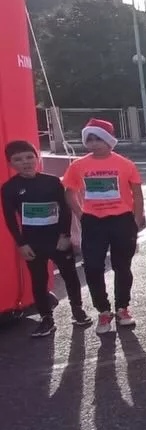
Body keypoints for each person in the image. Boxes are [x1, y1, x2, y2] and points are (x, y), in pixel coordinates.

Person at [60, 119, 145, 334]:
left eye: (98, 138)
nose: (94, 143)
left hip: (122, 221)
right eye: (90, 139)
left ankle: (122, 308)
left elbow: (137, 193)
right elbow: (69, 191)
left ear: (109, 141)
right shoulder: (78, 165)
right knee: (93, 267)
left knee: (122, 267)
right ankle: (104, 311)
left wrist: (136, 219)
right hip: (93, 223)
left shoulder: (125, 164)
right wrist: (80, 214)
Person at [2, 141, 89, 336]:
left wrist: (65, 235)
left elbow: (65, 210)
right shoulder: (9, 188)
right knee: (38, 280)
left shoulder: (53, 182)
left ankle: (78, 310)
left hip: (58, 240)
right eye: (18, 159)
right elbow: (10, 219)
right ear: (10, 164)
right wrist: (21, 244)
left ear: (37, 158)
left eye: (29, 157)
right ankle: (46, 318)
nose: (25, 162)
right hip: (32, 243)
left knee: (70, 276)